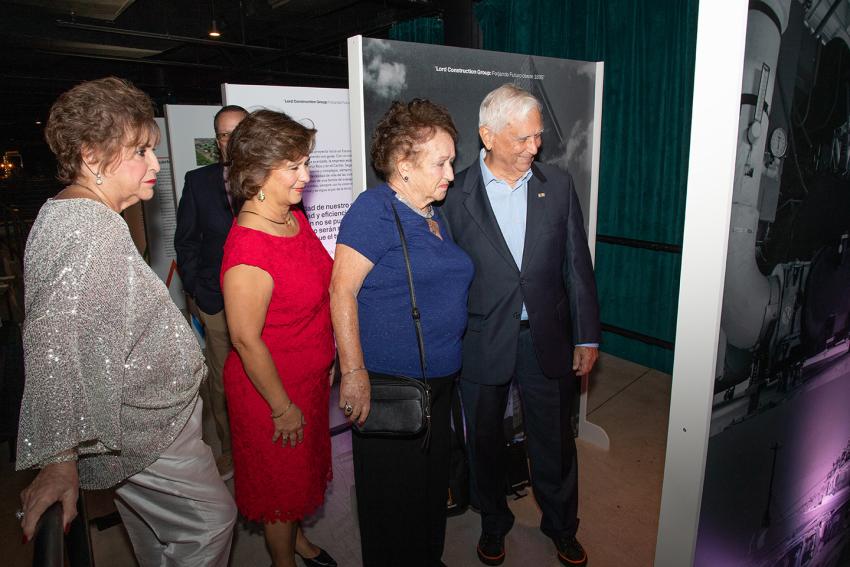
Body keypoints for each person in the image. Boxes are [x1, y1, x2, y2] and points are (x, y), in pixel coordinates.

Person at [16, 77, 236, 566]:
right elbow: (54, 343)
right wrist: (58, 459)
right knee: (211, 523)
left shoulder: (84, 215)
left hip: (142, 425)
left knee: (157, 537)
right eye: (139, 151)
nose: (154, 164)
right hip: (144, 431)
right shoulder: (84, 230)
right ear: (92, 156)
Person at [440, 83, 601, 567]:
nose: (535, 147)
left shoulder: (558, 185)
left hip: (545, 340)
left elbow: (578, 267)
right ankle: (493, 523)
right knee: (484, 441)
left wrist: (587, 335)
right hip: (482, 339)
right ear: (487, 136)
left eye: (538, 137)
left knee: (554, 441)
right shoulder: (453, 194)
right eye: (522, 139)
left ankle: (561, 526)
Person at [330, 99, 474, 567]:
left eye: (451, 161)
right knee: (391, 504)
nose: (451, 173)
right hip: (392, 388)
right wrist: (353, 373)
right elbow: (341, 291)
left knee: (430, 494)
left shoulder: (435, 215)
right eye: (441, 162)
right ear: (403, 164)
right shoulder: (373, 211)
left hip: (440, 384)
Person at [221, 109, 336, 567]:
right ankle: (282, 560)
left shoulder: (290, 217)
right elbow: (246, 340)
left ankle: (298, 539)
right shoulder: (250, 247)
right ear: (258, 172)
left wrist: (325, 362)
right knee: (279, 487)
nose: (305, 176)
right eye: (294, 166)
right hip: (272, 393)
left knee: (299, 478)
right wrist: (282, 407)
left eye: (305, 163)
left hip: (305, 380)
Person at [175, 104, 248, 480]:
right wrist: (197, 291)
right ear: (217, 141)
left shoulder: (274, 178)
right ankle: (232, 450)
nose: (230, 140)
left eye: (237, 131)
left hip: (263, 302)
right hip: (216, 300)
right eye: (223, 134)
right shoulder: (198, 181)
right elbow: (185, 242)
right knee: (222, 380)